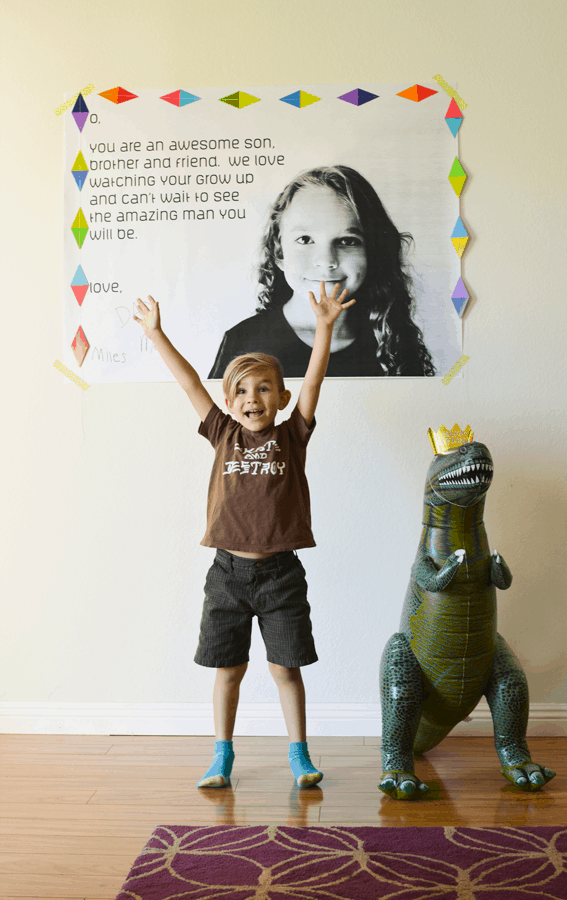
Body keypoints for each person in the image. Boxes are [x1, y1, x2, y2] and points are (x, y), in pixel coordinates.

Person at [133, 281, 356, 789]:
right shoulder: (222, 432)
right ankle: (221, 757)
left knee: (285, 670)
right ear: (229, 400)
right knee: (227, 671)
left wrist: (324, 330)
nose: (252, 398)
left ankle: (299, 755)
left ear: (279, 397)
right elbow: (191, 384)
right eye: (242, 390)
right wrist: (156, 334)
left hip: (280, 574)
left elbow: (314, 385)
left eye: (264, 389)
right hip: (227, 576)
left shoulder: (291, 435)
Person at [209, 165, 435, 379]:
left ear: (373, 252)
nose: (326, 261)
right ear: (279, 253)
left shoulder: (395, 340)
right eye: (305, 239)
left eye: (348, 241)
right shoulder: (244, 341)